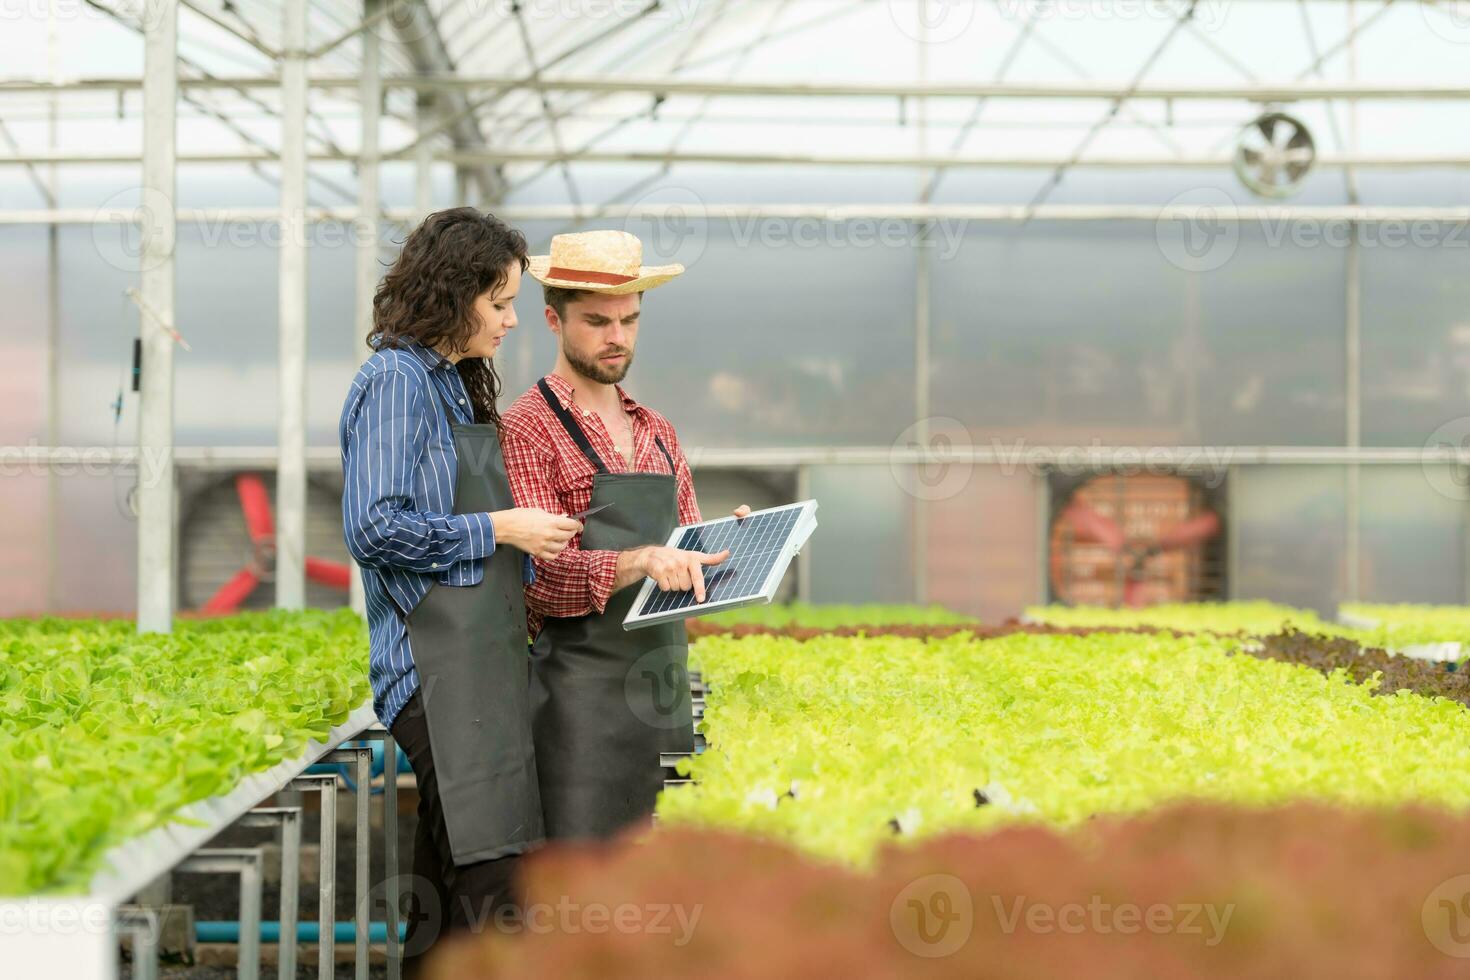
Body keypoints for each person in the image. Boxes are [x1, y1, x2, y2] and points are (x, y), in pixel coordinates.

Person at [337, 208, 582, 974]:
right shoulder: (397, 383)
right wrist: (501, 531)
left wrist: (534, 546)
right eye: (500, 303)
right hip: (432, 668)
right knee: (490, 880)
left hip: (476, 663)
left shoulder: (449, 385)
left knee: (449, 890)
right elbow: (374, 529)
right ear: (454, 292)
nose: (512, 321)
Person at [500, 229, 750, 842]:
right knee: (580, 888)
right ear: (553, 321)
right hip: (578, 708)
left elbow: (683, 556)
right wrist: (641, 560)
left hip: (662, 693)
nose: (617, 337)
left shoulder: (658, 431)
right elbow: (539, 583)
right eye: (598, 321)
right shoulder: (528, 430)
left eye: (630, 321)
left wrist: (736, 546)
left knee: (661, 883)